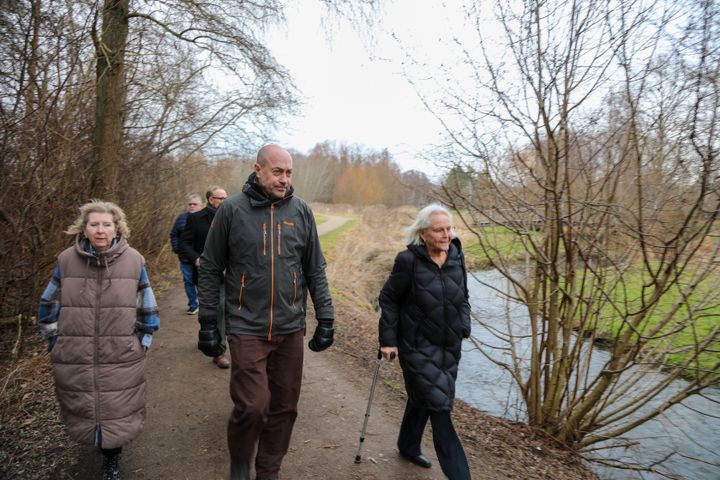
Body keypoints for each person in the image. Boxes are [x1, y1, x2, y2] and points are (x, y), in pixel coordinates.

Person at [197, 144, 335, 480]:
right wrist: (208, 323)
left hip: (289, 327)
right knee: (253, 406)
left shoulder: (301, 211)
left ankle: (269, 470)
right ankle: (241, 461)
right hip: (246, 325)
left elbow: (314, 267)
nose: (284, 179)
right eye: (277, 171)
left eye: (289, 173)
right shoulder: (231, 210)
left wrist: (326, 317)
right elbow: (211, 268)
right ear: (257, 169)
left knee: (285, 408)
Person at [37, 200, 160, 480]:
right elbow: (48, 303)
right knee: (86, 403)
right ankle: (99, 441)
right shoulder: (67, 259)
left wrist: (143, 340)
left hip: (121, 352)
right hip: (75, 351)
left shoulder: (134, 260)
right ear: (84, 228)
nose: (100, 230)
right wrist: (55, 341)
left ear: (117, 229)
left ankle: (112, 460)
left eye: (107, 224)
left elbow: (147, 306)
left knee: (116, 406)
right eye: (94, 224)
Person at [378, 204, 472, 480]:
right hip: (416, 346)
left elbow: (463, 296)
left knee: (423, 399)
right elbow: (389, 299)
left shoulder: (456, 256)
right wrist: (388, 340)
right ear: (423, 233)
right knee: (440, 408)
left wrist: (463, 326)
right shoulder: (408, 261)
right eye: (439, 230)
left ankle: (407, 446)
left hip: (449, 347)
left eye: (449, 228)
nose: (446, 235)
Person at [178, 185, 230, 368]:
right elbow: (184, 243)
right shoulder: (195, 219)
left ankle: (215, 341)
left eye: (226, 198)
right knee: (214, 309)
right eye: (220, 198)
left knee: (226, 309)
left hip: (229, 273)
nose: (224, 201)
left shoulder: (232, 216)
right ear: (210, 199)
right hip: (206, 274)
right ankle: (218, 351)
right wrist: (196, 259)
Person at [170, 192, 203, 314]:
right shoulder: (181, 218)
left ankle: (203, 303)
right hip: (185, 258)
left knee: (202, 282)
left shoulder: (205, 217)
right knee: (188, 281)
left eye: (195, 204)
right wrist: (176, 248)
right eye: (190, 204)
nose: (192, 206)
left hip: (201, 257)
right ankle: (193, 305)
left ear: (200, 205)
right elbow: (174, 234)